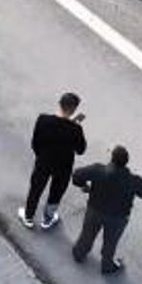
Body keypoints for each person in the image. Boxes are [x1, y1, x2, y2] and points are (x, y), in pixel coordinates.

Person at [71, 145, 142, 276]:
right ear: (126, 162)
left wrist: (84, 186)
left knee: (87, 234)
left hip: (94, 210)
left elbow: (77, 175)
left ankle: (79, 253)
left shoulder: (98, 169)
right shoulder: (133, 181)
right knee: (110, 243)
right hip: (117, 218)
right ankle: (107, 266)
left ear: (112, 158)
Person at [19, 92, 86, 231]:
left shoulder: (43, 120)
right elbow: (81, 150)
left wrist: (41, 156)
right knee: (56, 193)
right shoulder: (75, 129)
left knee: (35, 189)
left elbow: (35, 143)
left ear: (59, 103)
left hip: (43, 162)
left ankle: (28, 216)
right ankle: (48, 219)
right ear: (74, 109)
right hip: (63, 167)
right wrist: (75, 123)